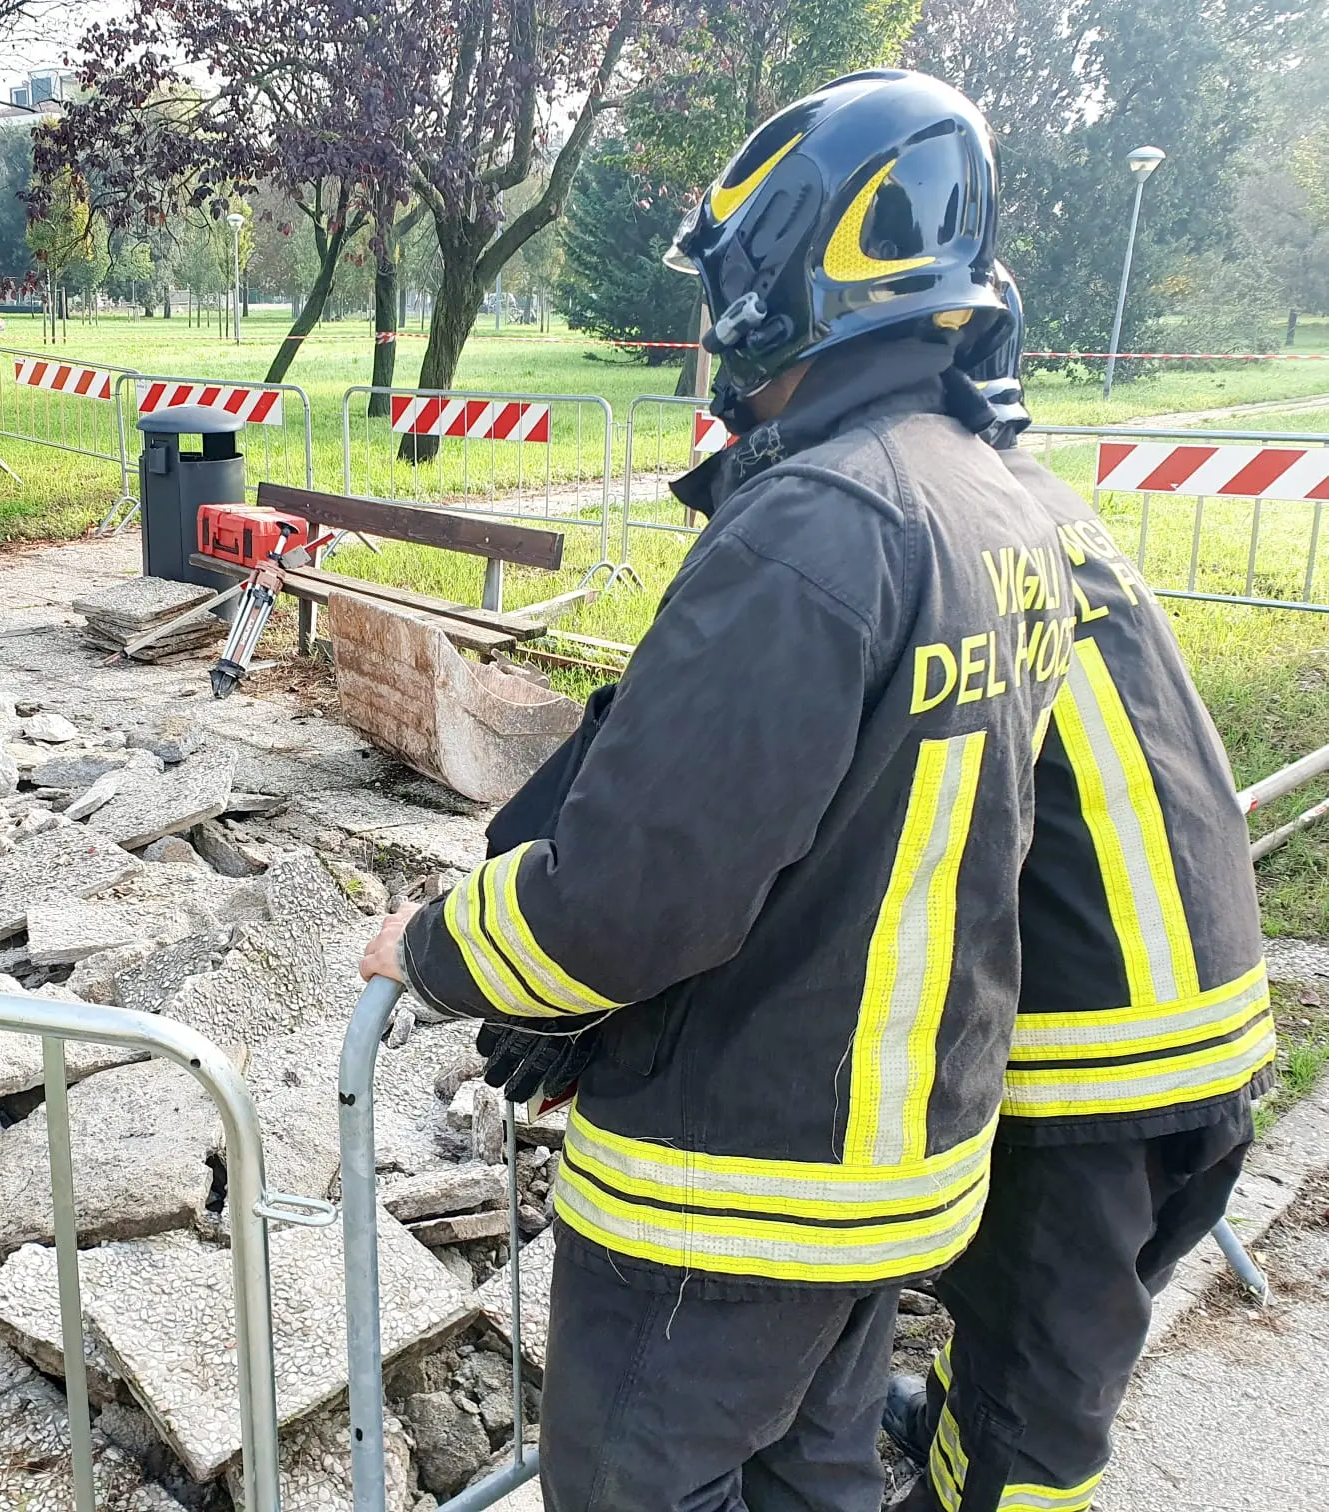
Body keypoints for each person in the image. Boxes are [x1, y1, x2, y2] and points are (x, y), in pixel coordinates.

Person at [359, 69, 1077, 1512]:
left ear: (785, 284)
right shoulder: (996, 500)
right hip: (899, 1163)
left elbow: (635, 899)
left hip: (736, 1192)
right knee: (812, 1482)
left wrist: (431, 948)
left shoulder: (814, 527)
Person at [880, 268, 1272, 1512]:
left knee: (1031, 1434)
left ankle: (984, 1468)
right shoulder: (1032, 504)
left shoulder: (926, 530)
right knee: (1034, 1347)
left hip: (1094, 1066)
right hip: (1196, 1023)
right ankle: (955, 1417)